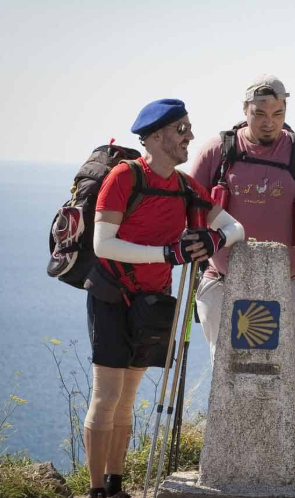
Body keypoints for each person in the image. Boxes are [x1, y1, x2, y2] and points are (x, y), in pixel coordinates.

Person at [85, 98, 245, 498]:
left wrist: (214, 238)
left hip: (153, 301)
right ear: (155, 137)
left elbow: (235, 227)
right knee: (106, 397)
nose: (189, 135)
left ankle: (116, 484)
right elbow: (103, 245)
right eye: (181, 129)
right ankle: (95, 490)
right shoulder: (124, 178)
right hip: (111, 296)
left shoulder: (186, 187)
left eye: (188, 128)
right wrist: (167, 254)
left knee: (126, 399)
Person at [188, 75, 295, 395]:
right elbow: (186, 208)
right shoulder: (218, 151)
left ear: (286, 112)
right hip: (223, 282)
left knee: (289, 383)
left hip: (291, 282)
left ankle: (281, 446)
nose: (268, 123)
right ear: (245, 110)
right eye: (259, 113)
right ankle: (234, 446)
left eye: (277, 114)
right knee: (231, 383)